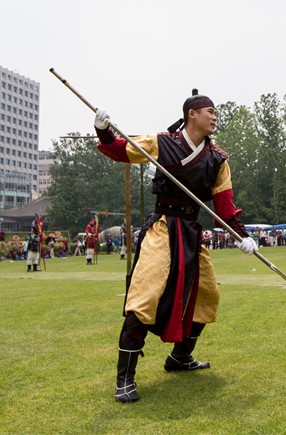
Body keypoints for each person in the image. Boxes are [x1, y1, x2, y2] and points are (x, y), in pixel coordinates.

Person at [93, 89, 258, 403]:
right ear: (192, 114)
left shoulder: (218, 159)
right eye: (210, 111)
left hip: (192, 232)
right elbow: (118, 149)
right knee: (144, 297)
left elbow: (225, 207)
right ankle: (124, 380)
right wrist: (102, 129)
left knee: (208, 295)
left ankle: (180, 357)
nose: (215, 117)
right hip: (162, 228)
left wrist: (242, 236)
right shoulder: (161, 142)